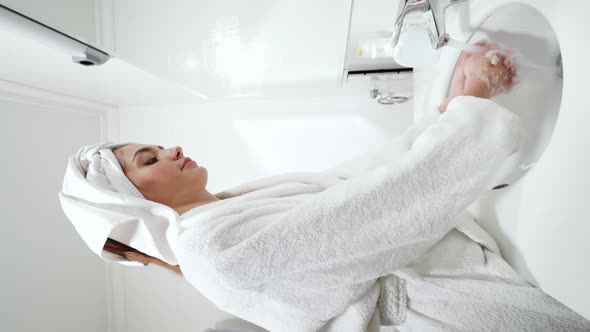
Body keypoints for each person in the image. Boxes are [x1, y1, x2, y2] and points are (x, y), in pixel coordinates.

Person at [58, 42, 590, 331]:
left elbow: (348, 183)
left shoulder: (217, 214)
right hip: (453, 312)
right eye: (149, 159)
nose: (171, 149)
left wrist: (443, 119)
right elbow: (382, 211)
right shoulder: (213, 248)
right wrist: (472, 108)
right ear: (137, 202)